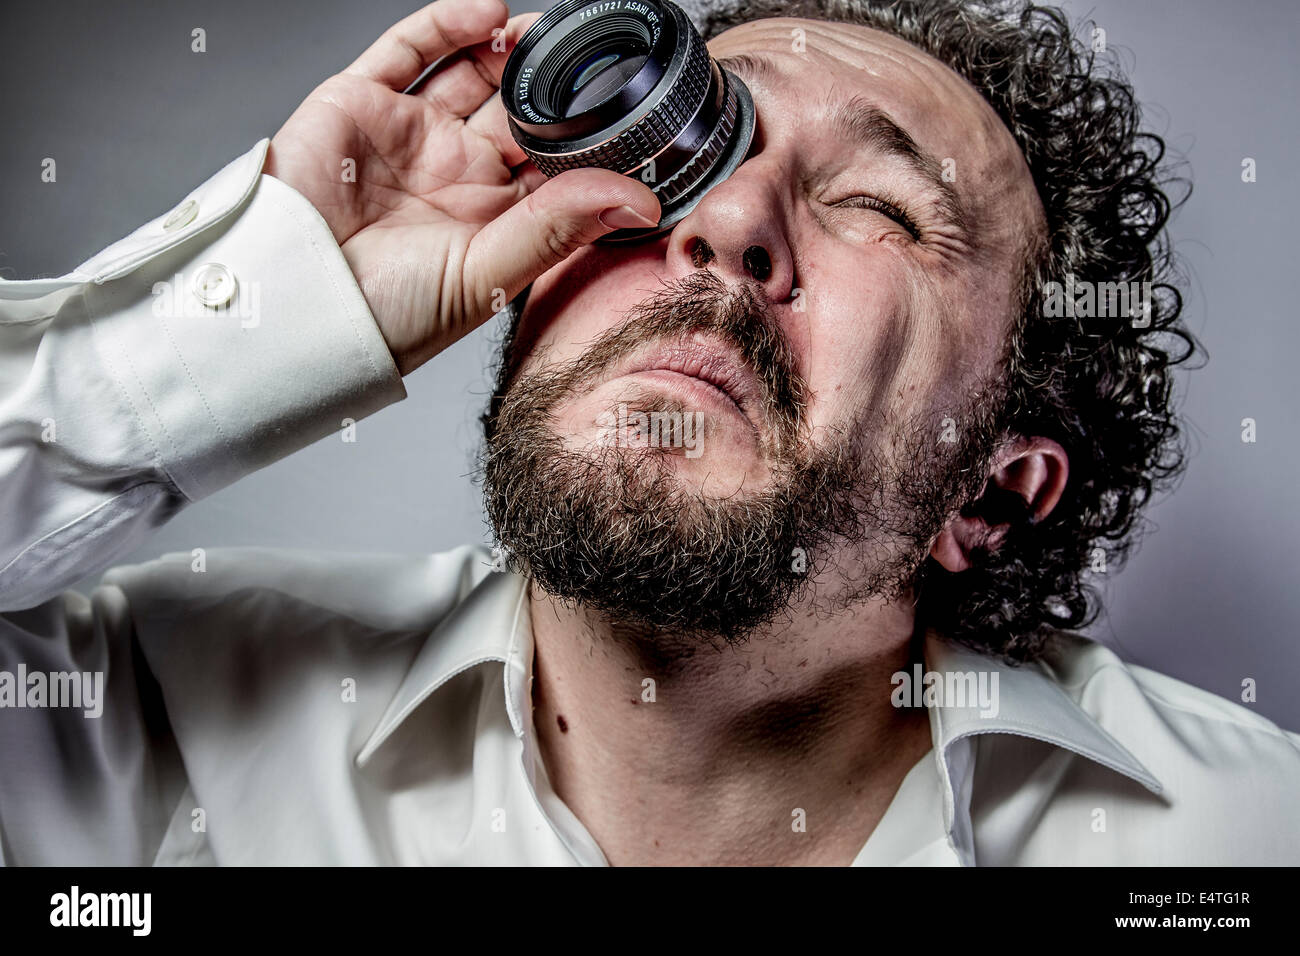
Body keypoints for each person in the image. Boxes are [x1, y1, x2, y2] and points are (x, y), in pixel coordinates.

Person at [0, 0, 1296, 866]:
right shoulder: (152, 719)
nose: (723, 224)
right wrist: (274, 305)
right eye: (687, 152)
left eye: (884, 211)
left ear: (993, 497)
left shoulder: (1239, 839)